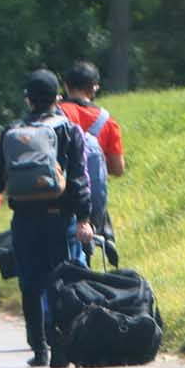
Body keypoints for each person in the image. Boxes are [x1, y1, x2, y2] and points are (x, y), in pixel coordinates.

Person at [0, 70, 92, 367]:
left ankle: (39, 348)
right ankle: (61, 348)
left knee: (30, 282)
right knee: (61, 281)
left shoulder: (12, 131)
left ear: (28, 99)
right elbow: (79, 179)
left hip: (24, 218)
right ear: (57, 98)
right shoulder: (69, 130)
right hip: (60, 218)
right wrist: (84, 218)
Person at [58, 60, 125, 248]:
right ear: (94, 87)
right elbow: (118, 169)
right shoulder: (108, 121)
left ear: (66, 86)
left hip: (58, 197)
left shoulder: (56, 114)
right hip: (90, 202)